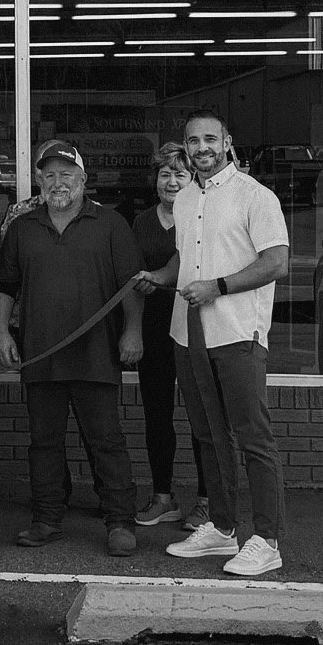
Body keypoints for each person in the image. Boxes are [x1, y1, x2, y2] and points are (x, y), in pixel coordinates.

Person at [154, 110, 292, 577]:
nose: (201, 148)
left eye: (210, 139)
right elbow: (186, 257)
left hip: (237, 334)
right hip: (188, 335)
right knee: (209, 436)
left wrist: (219, 286)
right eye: (193, 141)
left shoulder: (256, 196)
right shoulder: (186, 194)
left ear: (227, 142)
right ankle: (222, 527)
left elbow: (276, 262)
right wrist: (158, 278)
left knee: (254, 439)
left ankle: (268, 540)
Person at [0, 141, 146, 556]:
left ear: (82, 179)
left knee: (106, 440)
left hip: (97, 354)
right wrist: (2, 333)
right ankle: (46, 519)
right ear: (40, 180)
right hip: (40, 353)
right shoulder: (23, 228)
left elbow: (131, 283)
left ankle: (120, 522)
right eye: (50, 175)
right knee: (43, 442)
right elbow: (5, 286)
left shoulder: (111, 223)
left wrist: (134, 332)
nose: (58, 182)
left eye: (66, 174)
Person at [138, 144, 207, 531]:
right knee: (157, 415)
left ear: (193, 179)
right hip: (153, 329)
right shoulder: (142, 222)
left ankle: (207, 501)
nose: (172, 181)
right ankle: (163, 497)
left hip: (195, 326)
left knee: (202, 416)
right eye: (166, 174)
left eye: (181, 174)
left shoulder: (201, 217)